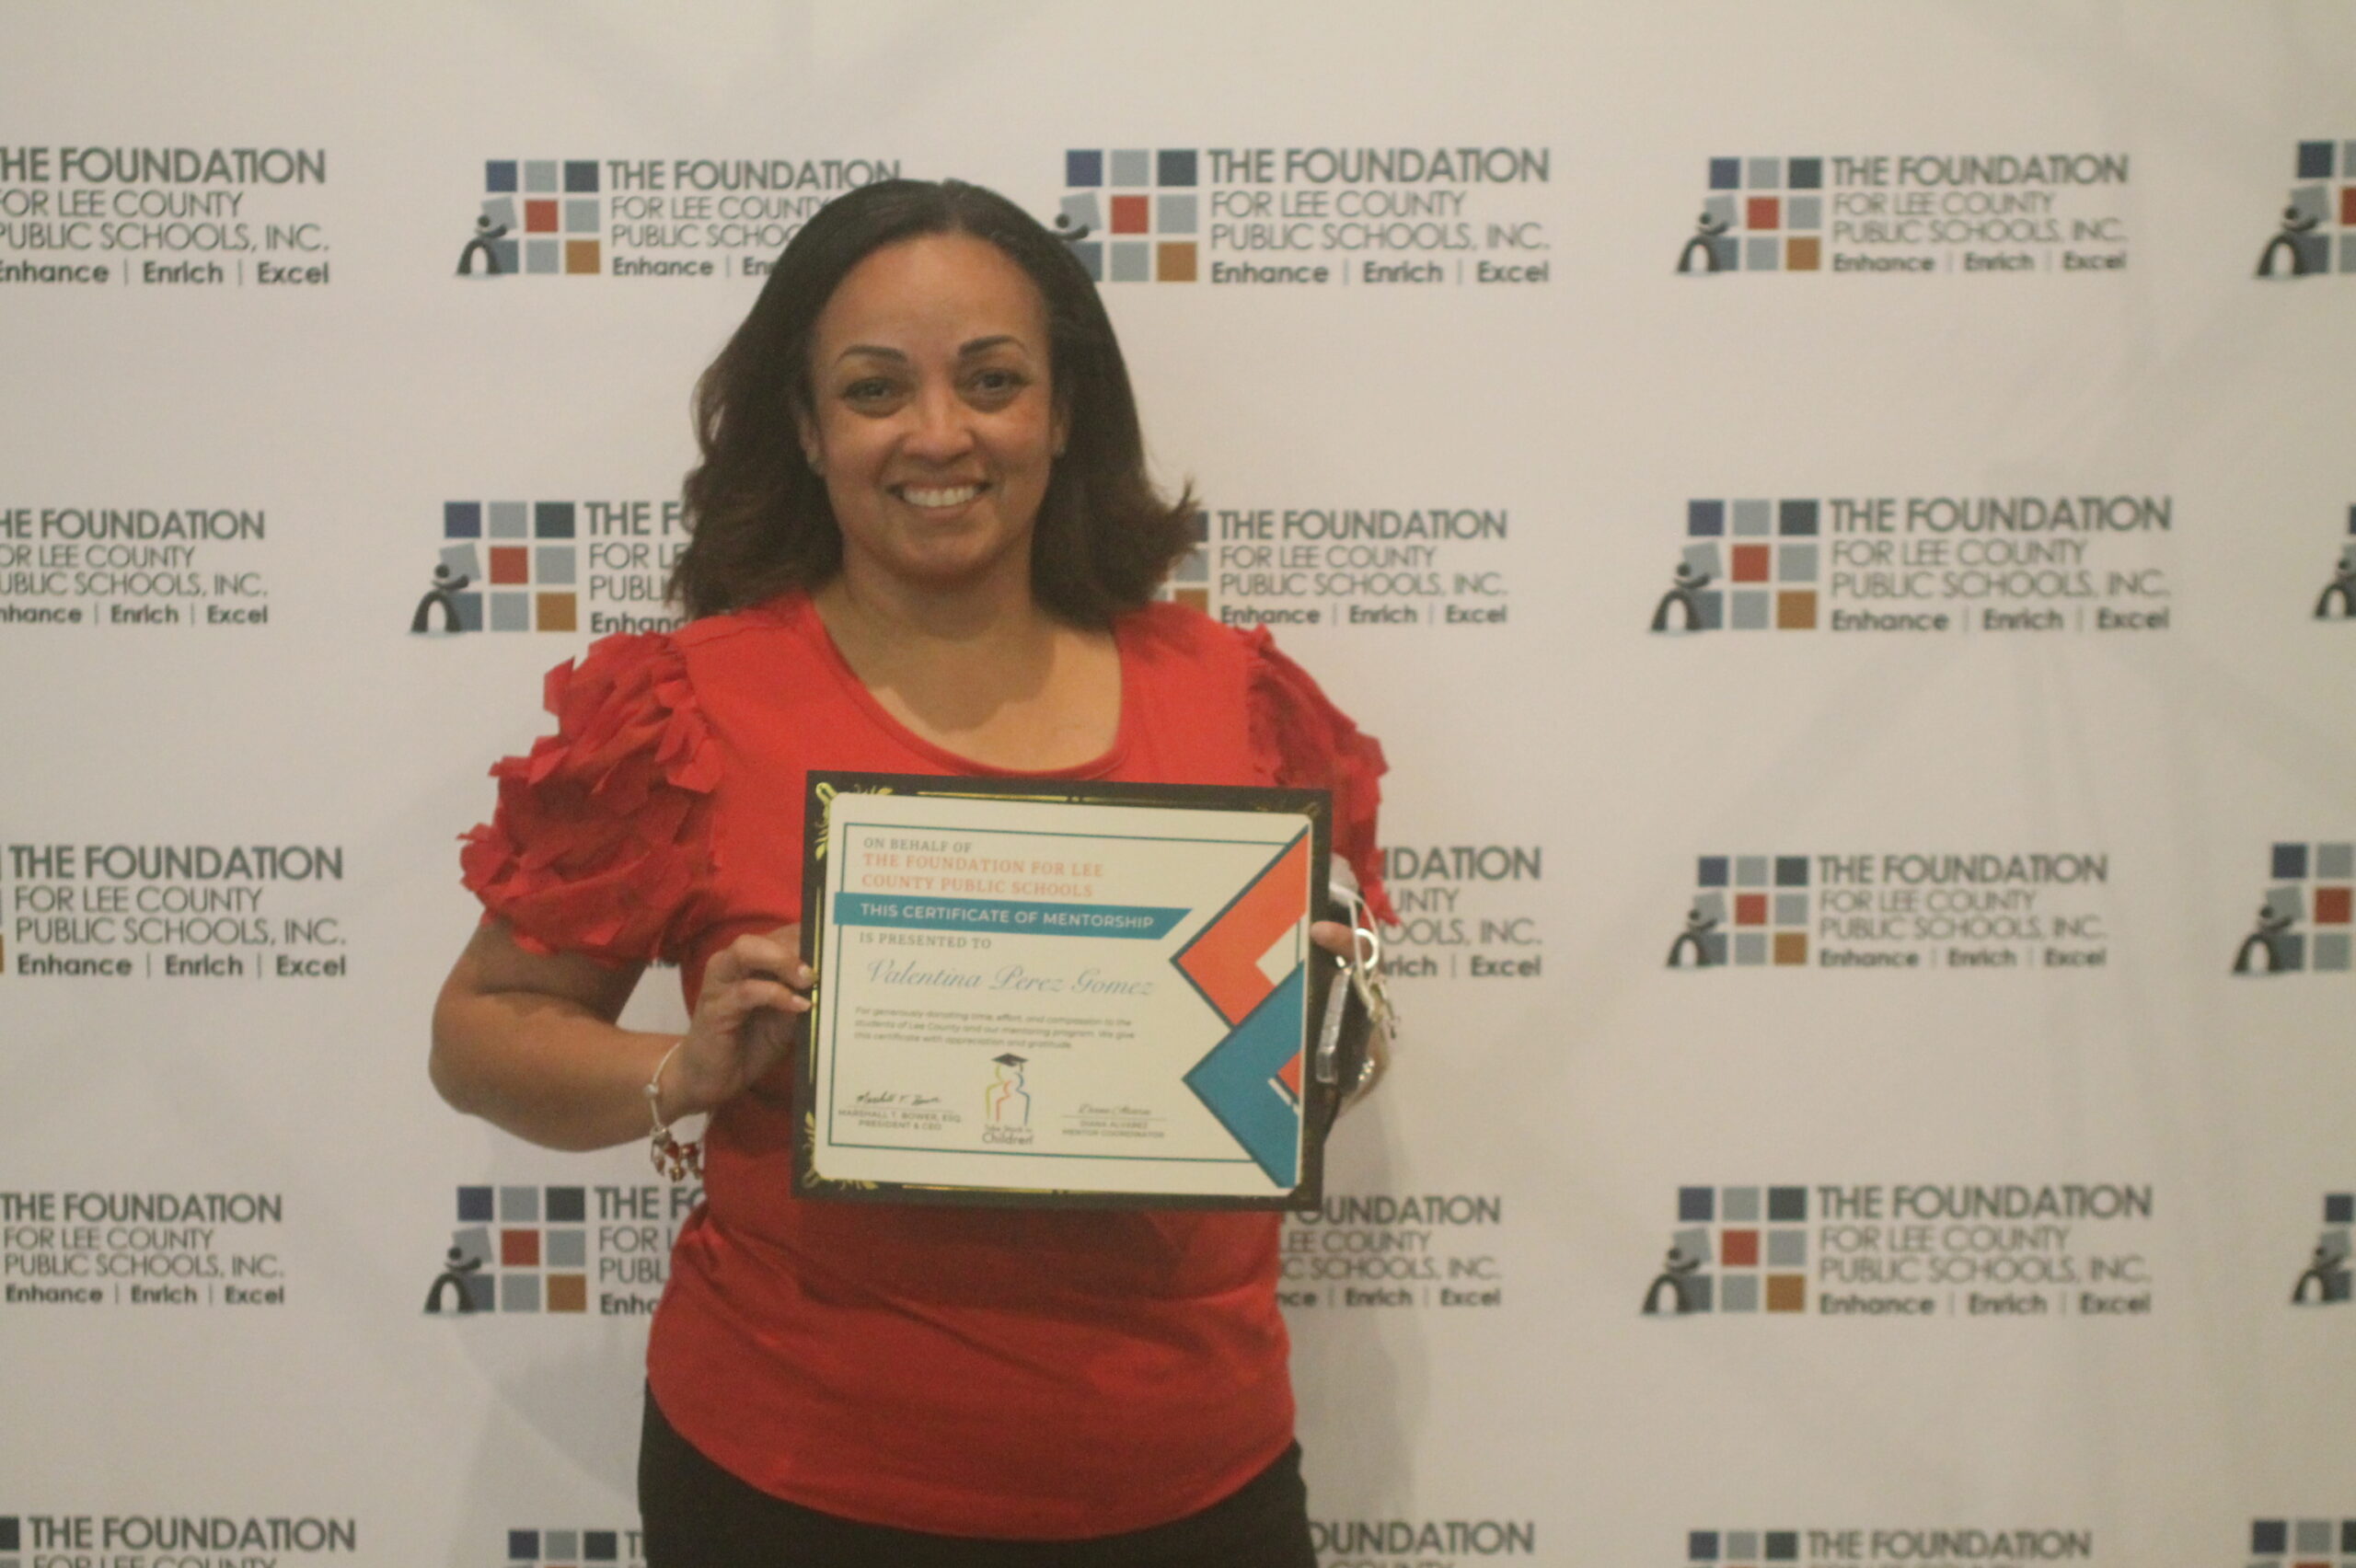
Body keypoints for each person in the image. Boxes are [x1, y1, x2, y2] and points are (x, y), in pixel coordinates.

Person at [429, 179, 1392, 1568]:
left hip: (1192, 1482)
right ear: (806, 427)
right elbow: (481, 1034)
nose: (940, 434)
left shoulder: (1237, 701)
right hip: (793, 1487)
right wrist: (685, 1071)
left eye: (992, 381)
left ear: (1064, 411)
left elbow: (1345, 1039)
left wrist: (1315, 1040)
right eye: (876, 390)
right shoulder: (690, 709)